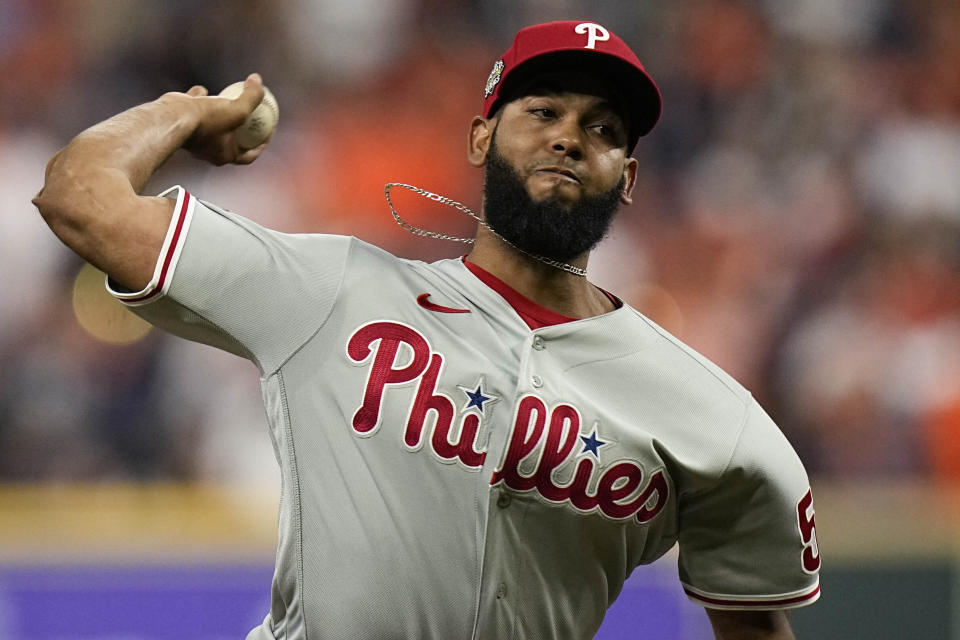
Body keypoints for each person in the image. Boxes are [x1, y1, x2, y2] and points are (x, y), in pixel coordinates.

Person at [33, 20, 820, 640]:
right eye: (542, 110)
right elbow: (80, 198)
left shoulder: (712, 415)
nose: (570, 136)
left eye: (605, 128)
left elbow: (754, 618)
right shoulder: (332, 291)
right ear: (481, 136)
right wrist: (186, 111)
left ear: (630, 177)